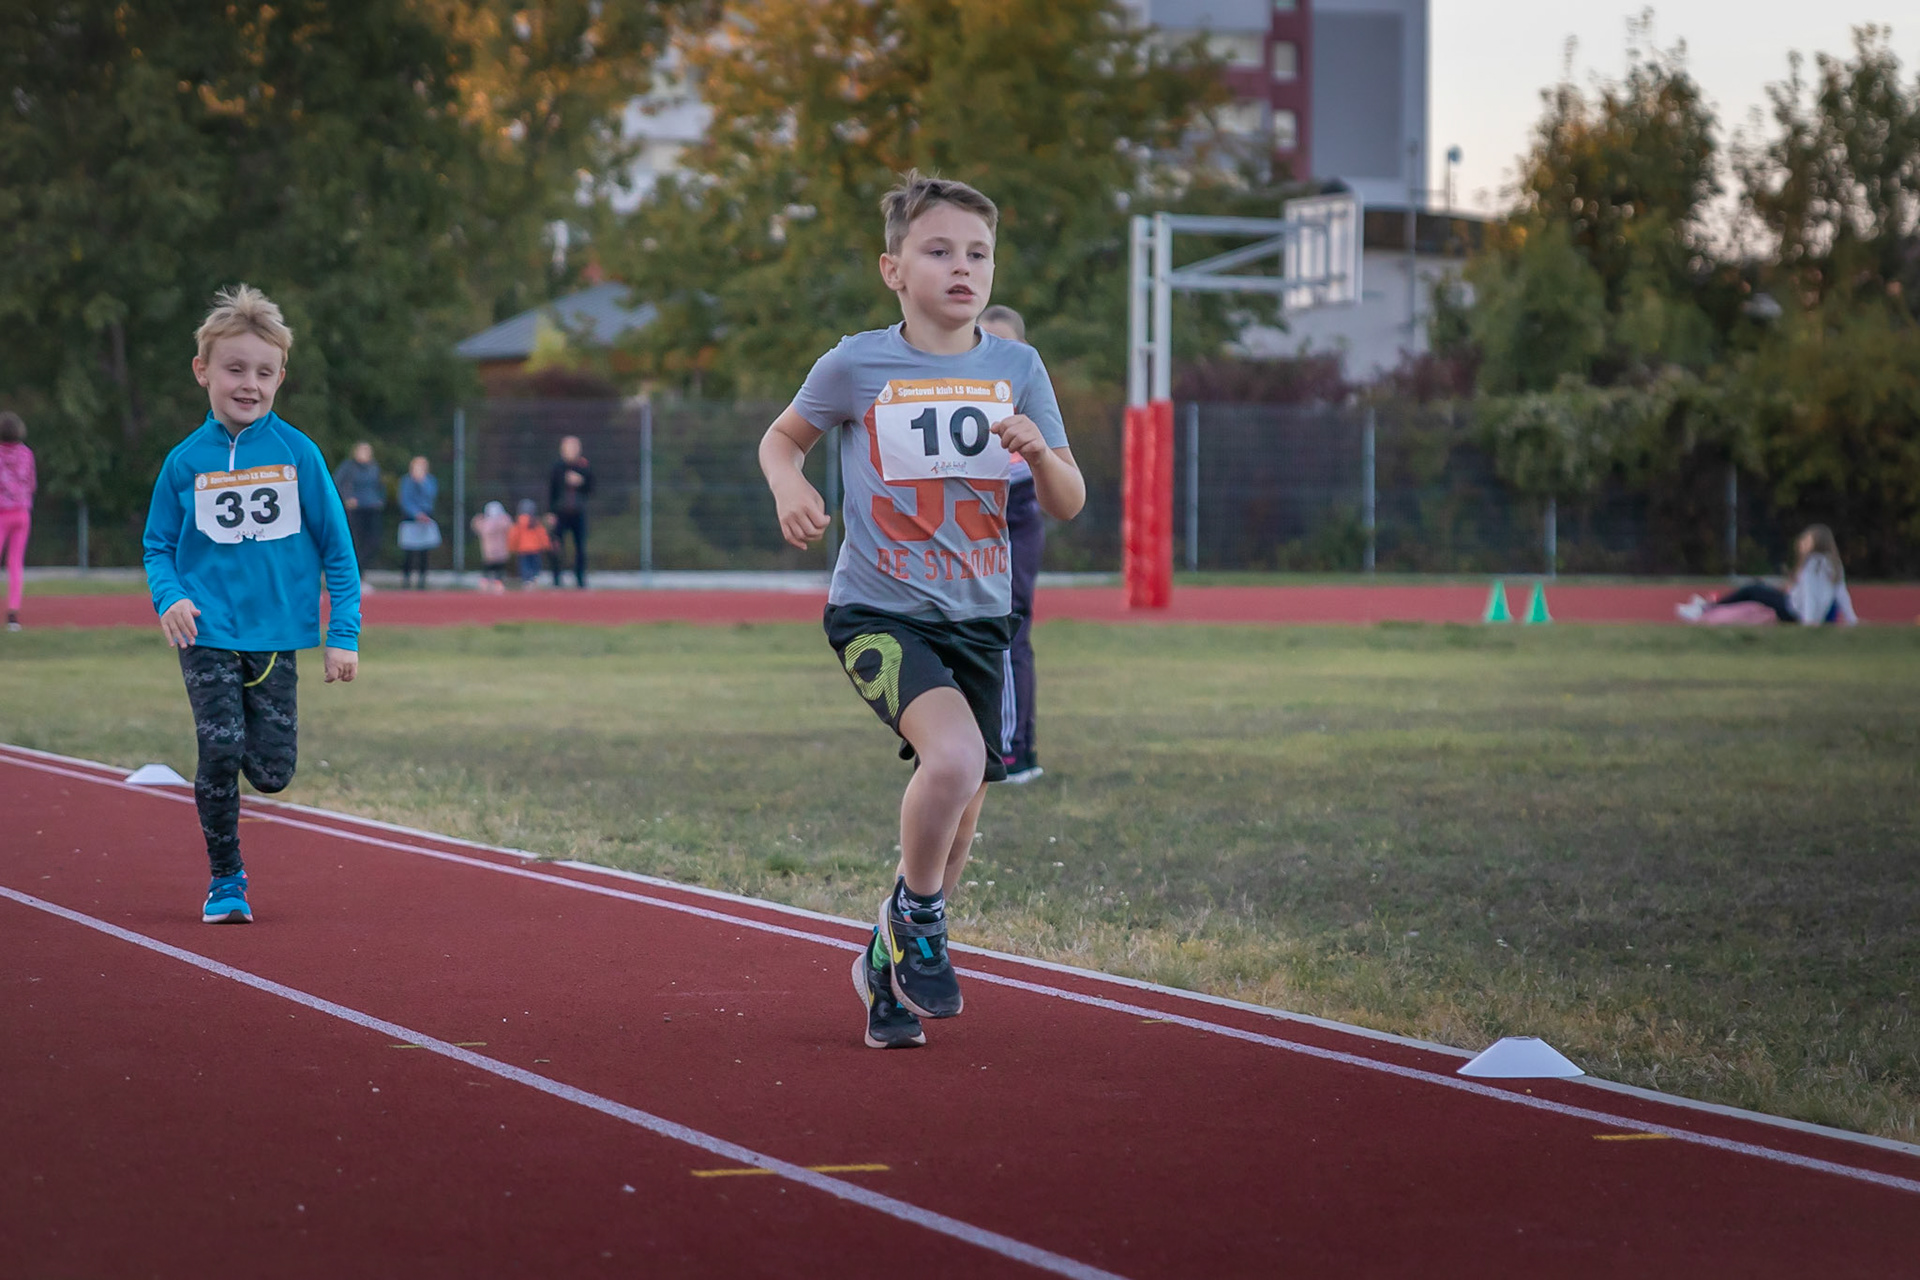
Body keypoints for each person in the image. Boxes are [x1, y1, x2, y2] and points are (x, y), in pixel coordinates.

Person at [758, 171, 1085, 1049]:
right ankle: (925, 925)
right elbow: (782, 438)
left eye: (978, 253)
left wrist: (1040, 455)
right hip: (880, 610)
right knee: (954, 760)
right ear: (894, 269)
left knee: (959, 812)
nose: (962, 267)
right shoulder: (856, 363)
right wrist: (790, 484)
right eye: (939, 251)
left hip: (979, 619)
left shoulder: (1017, 368)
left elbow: (1069, 499)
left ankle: (886, 961)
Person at [140, 284, 360, 925]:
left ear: (280, 378)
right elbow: (157, 545)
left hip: (274, 636)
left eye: (264, 373)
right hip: (206, 631)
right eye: (235, 369)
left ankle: (246, 757)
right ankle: (226, 879)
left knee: (270, 772)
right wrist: (171, 596)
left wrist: (342, 634)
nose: (249, 385)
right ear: (202, 371)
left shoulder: (299, 454)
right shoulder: (184, 462)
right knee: (219, 750)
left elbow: (338, 550)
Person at [977, 305, 1044, 784]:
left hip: (1015, 504)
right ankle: (971, 743)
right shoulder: (955, 384)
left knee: (1010, 624)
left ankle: (1015, 749)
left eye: (1006, 344)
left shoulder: (1031, 390)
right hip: (969, 505)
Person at [1678, 525, 1857, 625]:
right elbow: (1841, 594)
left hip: (1793, 611)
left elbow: (1810, 594)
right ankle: (1707, 607)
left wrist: (1808, 623)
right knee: (1758, 589)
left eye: (1806, 540)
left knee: (1752, 590)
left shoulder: (1813, 564)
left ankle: (1705, 609)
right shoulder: (1834, 565)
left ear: (1817, 543)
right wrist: (1852, 620)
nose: (1801, 543)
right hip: (1798, 609)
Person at [0, 410, 35, 632]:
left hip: (2, 513)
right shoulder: (26, 454)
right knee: (15, 564)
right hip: (22, 513)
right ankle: (13, 615)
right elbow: (31, 483)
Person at [332, 441, 385, 587]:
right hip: (355, 510)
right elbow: (337, 482)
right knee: (355, 541)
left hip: (372, 508)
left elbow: (380, 485)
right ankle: (355, 576)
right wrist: (347, 498)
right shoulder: (348, 467)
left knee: (373, 541)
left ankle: (360, 570)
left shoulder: (374, 467)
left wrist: (380, 499)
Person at [547, 435, 593, 588]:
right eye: (569, 447)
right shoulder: (557, 468)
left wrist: (581, 481)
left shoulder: (584, 467)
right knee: (556, 546)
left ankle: (580, 579)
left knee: (580, 547)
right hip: (560, 513)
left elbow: (591, 489)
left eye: (575, 447)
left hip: (578, 513)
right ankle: (556, 579)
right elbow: (551, 491)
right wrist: (550, 512)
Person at [397, 455, 440, 589]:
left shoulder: (430, 481)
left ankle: (422, 580)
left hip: (426, 519)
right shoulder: (406, 481)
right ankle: (406, 579)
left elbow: (431, 496)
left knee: (424, 552)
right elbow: (405, 500)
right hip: (410, 520)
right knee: (409, 552)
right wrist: (416, 514)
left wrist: (421, 483)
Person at [507, 499, 551, 588]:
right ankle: (534, 579)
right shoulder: (536, 523)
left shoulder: (518, 523)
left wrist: (512, 548)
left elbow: (514, 536)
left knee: (525, 567)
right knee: (535, 566)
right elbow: (542, 535)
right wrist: (546, 545)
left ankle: (527, 581)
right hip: (536, 549)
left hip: (523, 550)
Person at [470, 500, 512, 593]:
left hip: (489, 551)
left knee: (488, 568)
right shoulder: (502, 523)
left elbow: (476, 525)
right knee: (498, 569)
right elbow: (508, 524)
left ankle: (486, 583)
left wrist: (478, 518)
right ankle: (496, 583)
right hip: (499, 551)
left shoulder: (485, 524)